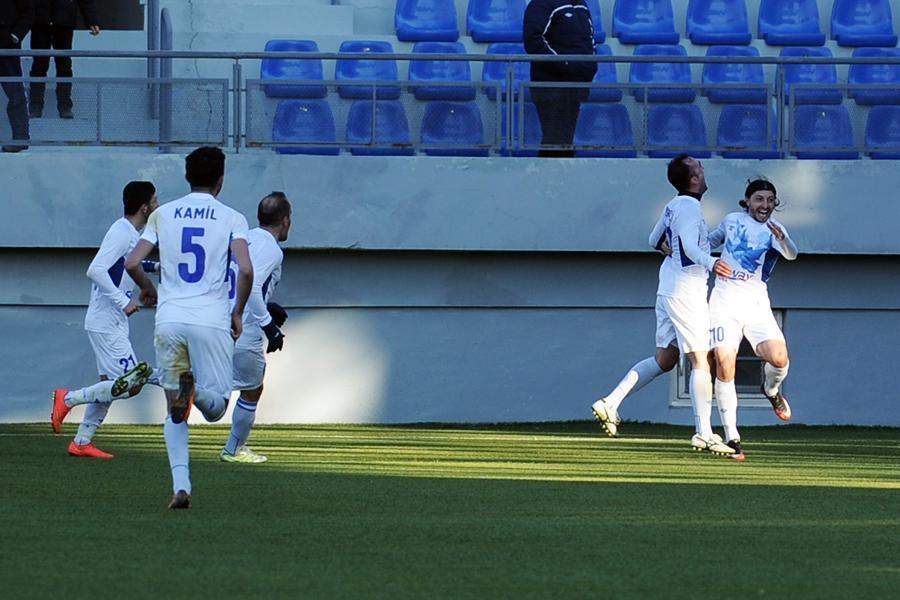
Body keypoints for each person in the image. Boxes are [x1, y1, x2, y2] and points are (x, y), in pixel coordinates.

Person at [125, 146, 253, 510]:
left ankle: (181, 487)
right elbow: (245, 269)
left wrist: (148, 289)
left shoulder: (162, 214)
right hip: (210, 319)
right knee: (217, 408)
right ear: (221, 179)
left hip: (170, 318)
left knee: (173, 411)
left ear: (186, 177)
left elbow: (133, 262)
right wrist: (238, 311)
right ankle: (196, 393)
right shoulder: (232, 217)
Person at [591, 154, 736, 456]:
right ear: (694, 179)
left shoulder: (675, 205)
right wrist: (712, 262)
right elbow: (689, 247)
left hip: (668, 288)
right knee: (701, 360)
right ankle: (704, 433)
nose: (703, 169)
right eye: (699, 167)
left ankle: (610, 403)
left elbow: (653, 239)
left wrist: (710, 241)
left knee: (666, 359)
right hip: (687, 292)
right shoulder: (689, 208)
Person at [50, 181, 160, 458]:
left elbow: (128, 263)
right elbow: (96, 269)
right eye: (154, 201)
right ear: (144, 207)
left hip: (112, 321)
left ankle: (81, 441)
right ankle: (68, 398)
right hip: (106, 320)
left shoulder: (130, 233)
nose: (157, 205)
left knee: (110, 385)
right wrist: (123, 301)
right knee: (131, 383)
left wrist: (159, 267)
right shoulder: (121, 232)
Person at [708, 178, 798, 461]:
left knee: (779, 358)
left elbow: (792, 255)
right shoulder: (731, 220)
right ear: (747, 201)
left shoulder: (775, 229)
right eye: (759, 199)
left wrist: (782, 239)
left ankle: (770, 390)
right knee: (724, 362)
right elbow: (709, 242)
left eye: (770, 200)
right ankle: (732, 437)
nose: (765, 205)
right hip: (724, 302)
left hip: (756, 304)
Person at [220, 192, 292, 464]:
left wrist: (267, 305)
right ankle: (233, 450)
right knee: (250, 389)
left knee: (212, 384)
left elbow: (231, 281)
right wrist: (268, 325)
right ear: (285, 220)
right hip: (243, 327)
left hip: (217, 320)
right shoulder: (271, 249)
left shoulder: (243, 238)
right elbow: (250, 286)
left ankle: (150, 376)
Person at [523, 0, 596, 158]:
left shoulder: (581, 5)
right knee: (556, 139)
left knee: (563, 139)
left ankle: (556, 171)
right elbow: (533, 40)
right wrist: (565, 65)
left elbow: (589, 39)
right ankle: (551, 172)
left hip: (576, 86)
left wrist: (591, 66)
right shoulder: (542, 4)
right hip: (551, 88)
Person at [28, 0, 99, 119]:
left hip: (64, 20)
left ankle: (65, 106)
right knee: (39, 65)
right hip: (40, 21)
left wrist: (92, 20)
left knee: (64, 65)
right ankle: (35, 106)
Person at [0, 0, 34, 152]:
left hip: (7, 47)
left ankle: (20, 138)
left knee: (15, 93)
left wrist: (14, 36)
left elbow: (29, 12)